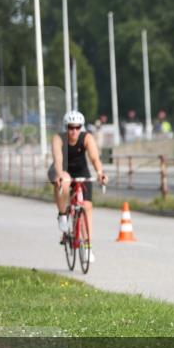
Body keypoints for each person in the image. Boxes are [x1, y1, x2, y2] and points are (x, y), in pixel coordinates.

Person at [50, 111, 108, 263]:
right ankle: (63, 214)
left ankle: (87, 248)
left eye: (77, 128)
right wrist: (60, 174)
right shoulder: (58, 138)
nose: (74, 131)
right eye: (70, 128)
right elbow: (58, 159)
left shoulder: (87, 138)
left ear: (81, 128)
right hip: (62, 169)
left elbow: (95, 158)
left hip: (81, 171)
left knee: (87, 207)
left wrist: (100, 173)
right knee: (65, 180)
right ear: (66, 128)